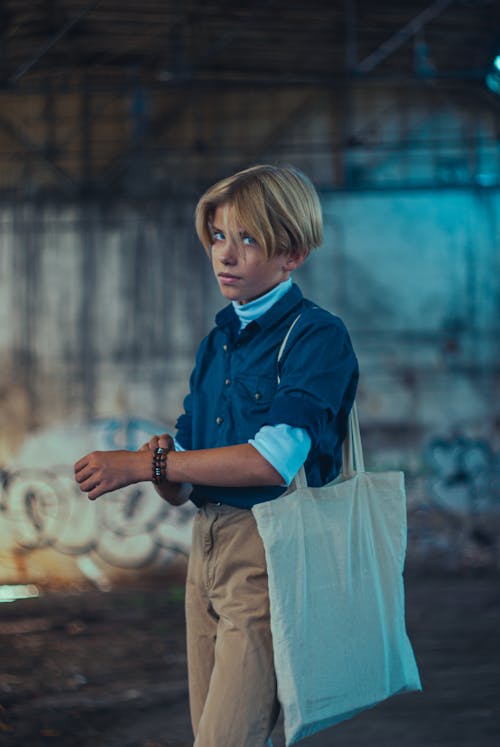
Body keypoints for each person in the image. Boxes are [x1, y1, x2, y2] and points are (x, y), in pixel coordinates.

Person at [74, 164, 359, 747]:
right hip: (204, 553)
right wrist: (162, 460)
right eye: (219, 236)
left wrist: (143, 465)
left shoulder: (315, 337)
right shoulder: (217, 342)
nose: (226, 255)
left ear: (293, 252)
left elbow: (269, 463)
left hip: (267, 552)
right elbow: (180, 481)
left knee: (225, 740)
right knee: (211, 732)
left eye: (249, 238)